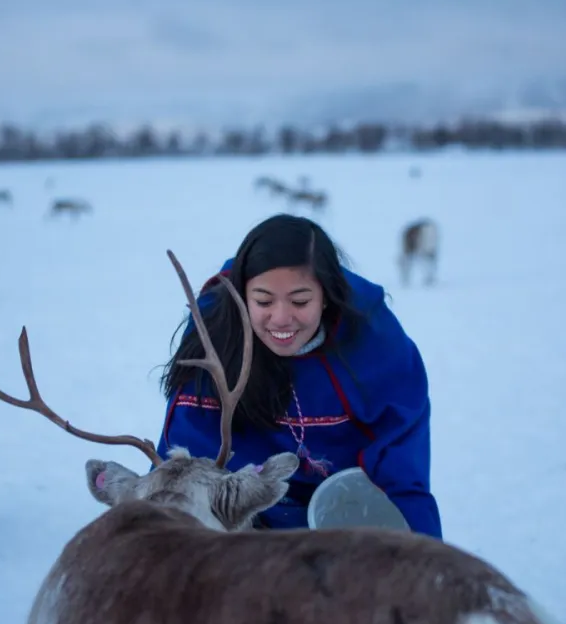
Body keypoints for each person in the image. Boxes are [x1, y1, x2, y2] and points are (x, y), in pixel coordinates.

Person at [157, 214, 442, 539]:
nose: (281, 319)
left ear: (326, 296)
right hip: (239, 515)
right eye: (263, 301)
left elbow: (401, 472)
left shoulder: (375, 345)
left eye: (300, 301)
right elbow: (184, 450)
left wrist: (422, 559)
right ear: (241, 295)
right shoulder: (214, 332)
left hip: (345, 518)